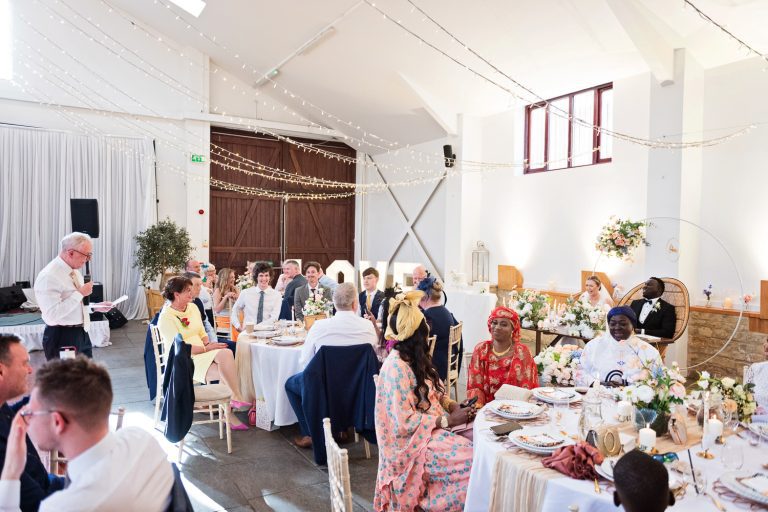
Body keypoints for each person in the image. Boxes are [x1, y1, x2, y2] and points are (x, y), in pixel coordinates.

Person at [0, 357, 174, 511]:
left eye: (30, 412)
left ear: (57, 422)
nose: (25, 418)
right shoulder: (141, 438)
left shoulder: (63, 506)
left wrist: (10, 474)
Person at [374, 290, 474, 511]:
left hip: (430, 428)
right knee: (473, 461)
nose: (429, 332)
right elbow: (403, 423)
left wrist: (452, 406)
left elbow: (434, 393)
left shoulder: (416, 358)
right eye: (424, 328)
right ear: (416, 335)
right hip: (409, 445)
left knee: (482, 436)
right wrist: (447, 421)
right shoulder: (395, 368)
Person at [286, 283, 377, 448]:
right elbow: (373, 357)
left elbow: (305, 361)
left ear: (333, 304)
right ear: (355, 304)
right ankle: (341, 429)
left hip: (324, 388)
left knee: (290, 384)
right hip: (358, 391)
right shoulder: (368, 326)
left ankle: (310, 433)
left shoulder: (319, 326)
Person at [157, 276, 248, 429]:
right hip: (183, 361)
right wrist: (207, 349)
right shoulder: (166, 317)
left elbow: (201, 331)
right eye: (187, 291)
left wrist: (208, 343)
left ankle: (234, 398)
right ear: (176, 294)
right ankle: (230, 412)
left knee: (225, 353)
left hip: (201, 353)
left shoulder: (192, 307)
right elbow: (180, 348)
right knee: (225, 371)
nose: (191, 293)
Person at [0, 335, 65, 512]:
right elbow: (38, 504)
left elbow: (9, 418)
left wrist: (40, 397)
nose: (30, 370)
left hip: (46, 484)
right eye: (24, 363)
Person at [33, 232, 112, 360]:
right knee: (68, 379)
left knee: (86, 377)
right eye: (86, 255)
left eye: (89, 255)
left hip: (81, 333)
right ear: (70, 253)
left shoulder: (74, 272)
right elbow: (53, 315)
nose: (87, 260)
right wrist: (80, 293)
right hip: (62, 337)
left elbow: (75, 305)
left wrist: (95, 307)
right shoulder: (49, 276)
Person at [467, 306, 538, 407]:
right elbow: (475, 386)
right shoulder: (481, 350)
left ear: (513, 329)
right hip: (485, 408)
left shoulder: (522, 352)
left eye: (504, 324)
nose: (497, 327)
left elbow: (526, 388)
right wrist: (479, 409)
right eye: (494, 323)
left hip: (516, 409)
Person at [578, 306, 663, 386]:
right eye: (613, 324)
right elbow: (580, 371)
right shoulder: (594, 346)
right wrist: (597, 383)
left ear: (633, 325)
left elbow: (659, 381)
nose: (617, 327)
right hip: (598, 397)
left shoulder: (648, 351)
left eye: (623, 324)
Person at [418, 277, 461, 381]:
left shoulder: (427, 317)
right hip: (446, 359)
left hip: (434, 365)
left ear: (425, 297)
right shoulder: (445, 311)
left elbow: (421, 343)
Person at [230, 262, 281, 330]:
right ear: (256, 277)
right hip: (248, 331)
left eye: (266, 275)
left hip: (267, 331)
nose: (264, 278)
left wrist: (256, 328)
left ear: (270, 277)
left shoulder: (276, 295)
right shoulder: (245, 293)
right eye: (261, 275)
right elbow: (234, 310)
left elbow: (274, 318)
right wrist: (238, 326)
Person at [186, 261, 214, 327]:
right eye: (196, 267)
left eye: (199, 267)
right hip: (199, 309)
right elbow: (205, 287)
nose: (199, 269)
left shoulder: (202, 278)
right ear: (188, 269)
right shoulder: (203, 278)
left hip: (206, 309)